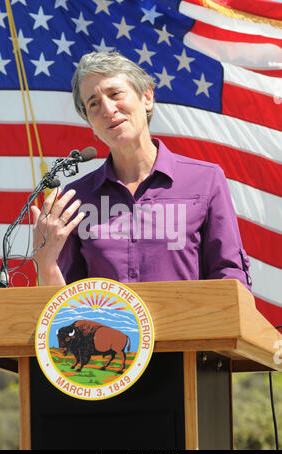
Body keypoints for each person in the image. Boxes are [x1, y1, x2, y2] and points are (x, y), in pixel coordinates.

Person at [31, 51, 252, 291]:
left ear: (146, 97)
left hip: (188, 327)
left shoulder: (206, 180)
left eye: (115, 94)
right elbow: (66, 302)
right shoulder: (76, 199)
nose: (107, 109)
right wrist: (46, 262)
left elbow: (229, 275)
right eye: (93, 104)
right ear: (90, 123)